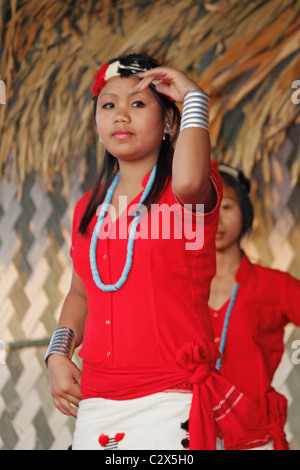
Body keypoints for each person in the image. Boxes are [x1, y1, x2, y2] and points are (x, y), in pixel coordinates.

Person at [45, 53, 259, 450]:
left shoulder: (187, 192)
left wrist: (192, 97)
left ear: (168, 123)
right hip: (97, 404)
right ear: (97, 125)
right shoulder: (87, 209)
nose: (120, 115)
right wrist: (57, 354)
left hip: (170, 400)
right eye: (108, 105)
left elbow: (191, 176)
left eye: (138, 103)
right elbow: (80, 293)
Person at [209, 163, 300, 450]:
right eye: (207, 209)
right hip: (188, 436)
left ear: (245, 211)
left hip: (256, 438)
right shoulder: (179, 288)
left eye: (227, 207)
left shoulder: (275, 286)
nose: (217, 219)